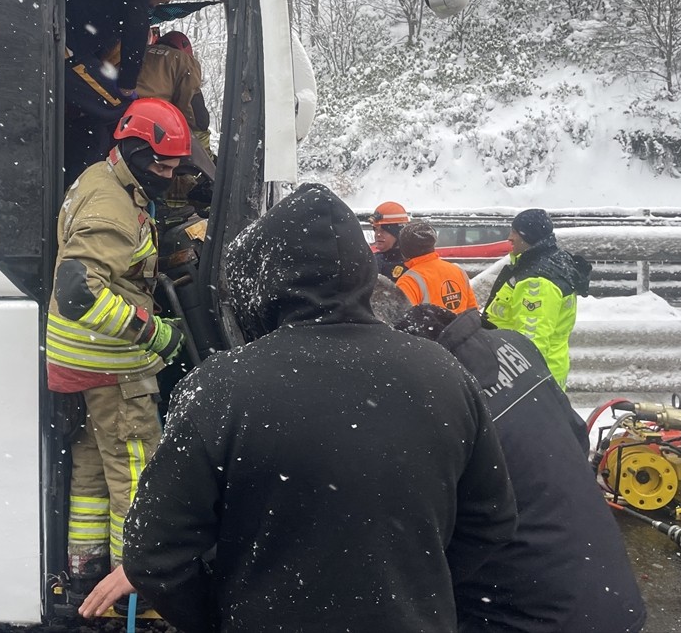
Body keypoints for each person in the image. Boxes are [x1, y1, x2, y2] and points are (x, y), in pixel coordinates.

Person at [112, 183, 517, 632]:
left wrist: (222, 615)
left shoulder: (220, 387)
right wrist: (413, 595)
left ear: (261, 284)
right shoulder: (443, 372)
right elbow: (492, 520)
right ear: (364, 272)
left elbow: (152, 553)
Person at [395, 304, 647, 633]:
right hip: (611, 601)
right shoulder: (514, 345)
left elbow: (421, 546)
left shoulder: (430, 403)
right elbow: (576, 437)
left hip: (524, 618)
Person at [45, 97, 194, 605]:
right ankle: (137, 587)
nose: (166, 175)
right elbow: (78, 290)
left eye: (175, 166)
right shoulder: (112, 206)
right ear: (131, 149)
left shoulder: (100, 180)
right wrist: (152, 333)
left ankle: (87, 571)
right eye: (159, 163)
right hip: (110, 365)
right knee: (136, 473)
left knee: (92, 469)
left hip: (80, 363)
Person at [63, 0, 193, 182]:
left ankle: (81, 177)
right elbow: (136, 19)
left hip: (71, 48)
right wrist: (127, 84)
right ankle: (96, 183)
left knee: (93, 117)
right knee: (122, 112)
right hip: (64, 52)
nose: (166, 1)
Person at [483, 208, 591, 388]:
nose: (510, 237)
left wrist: (525, 387)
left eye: (515, 232)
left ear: (529, 236)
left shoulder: (538, 281)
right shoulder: (549, 262)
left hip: (525, 379)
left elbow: (532, 342)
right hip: (537, 373)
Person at [136, 29, 215, 218]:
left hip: (128, 124)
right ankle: (171, 206)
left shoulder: (141, 52)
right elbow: (197, 118)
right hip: (156, 126)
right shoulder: (183, 61)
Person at [395, 221, 478, 314]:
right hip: (462, 328)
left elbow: (402, 320)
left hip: (430, 329)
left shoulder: (408, 281)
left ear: (404, 249)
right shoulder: (458, 271)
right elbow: (473, 312)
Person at [369, 200, 411, 282]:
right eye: (376, 230)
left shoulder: (411, 265)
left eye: (383, 230)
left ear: (398, 233)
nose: (378, 235)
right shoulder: (371, 262)